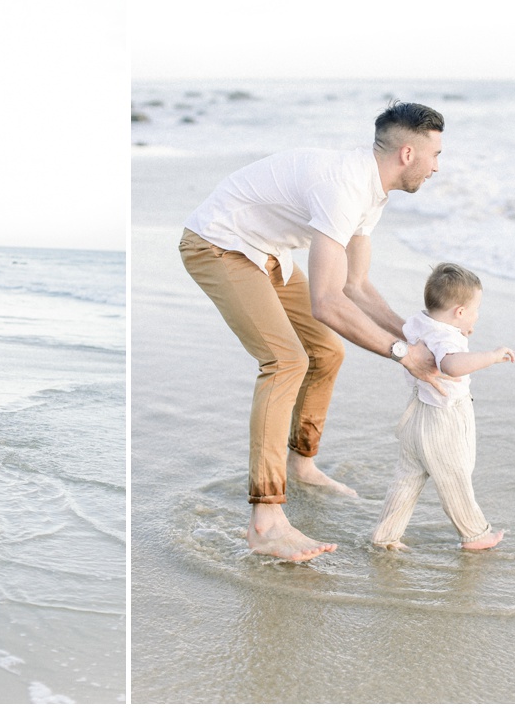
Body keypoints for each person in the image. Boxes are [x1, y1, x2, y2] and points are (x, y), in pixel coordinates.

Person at [179, 100, 451, 562]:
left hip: (267, 253)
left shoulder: (371, 193)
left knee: (326, 352)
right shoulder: (343, 186)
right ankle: (265, 522)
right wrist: (403, 352)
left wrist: (421, 334)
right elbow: (327, 303)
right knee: (285, 361)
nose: (437, 167)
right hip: (219, 244)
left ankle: (300, 463)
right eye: (436, 156)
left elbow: (356, 286)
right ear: (408, 154)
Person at [373, 263, 514, 551]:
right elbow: (451, 365)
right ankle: (475, 534)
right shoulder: (447, 337)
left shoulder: (420, 322)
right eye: (475, 310)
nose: (476, 317)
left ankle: (385, 535)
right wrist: (491, 356)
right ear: (459, 312)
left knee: (407, 480)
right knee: (455, 475)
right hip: (443, 418)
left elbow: (421, 339)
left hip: (415, 416)